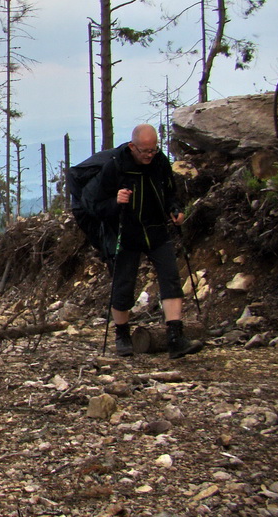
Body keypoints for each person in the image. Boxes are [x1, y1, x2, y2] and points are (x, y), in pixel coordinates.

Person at [86, 124, 203, 359]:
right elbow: (97, 206)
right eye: (144, 151)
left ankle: (175, 337)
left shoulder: (160, 163)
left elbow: (170, 193)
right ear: (132, 146)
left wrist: (175, 209)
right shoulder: (115, 167)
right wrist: (115, 202)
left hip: (157, 230)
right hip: (126, 234)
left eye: (153, 150)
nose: (150, 155)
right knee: (124, 284)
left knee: (170, 278)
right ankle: (122, 335)